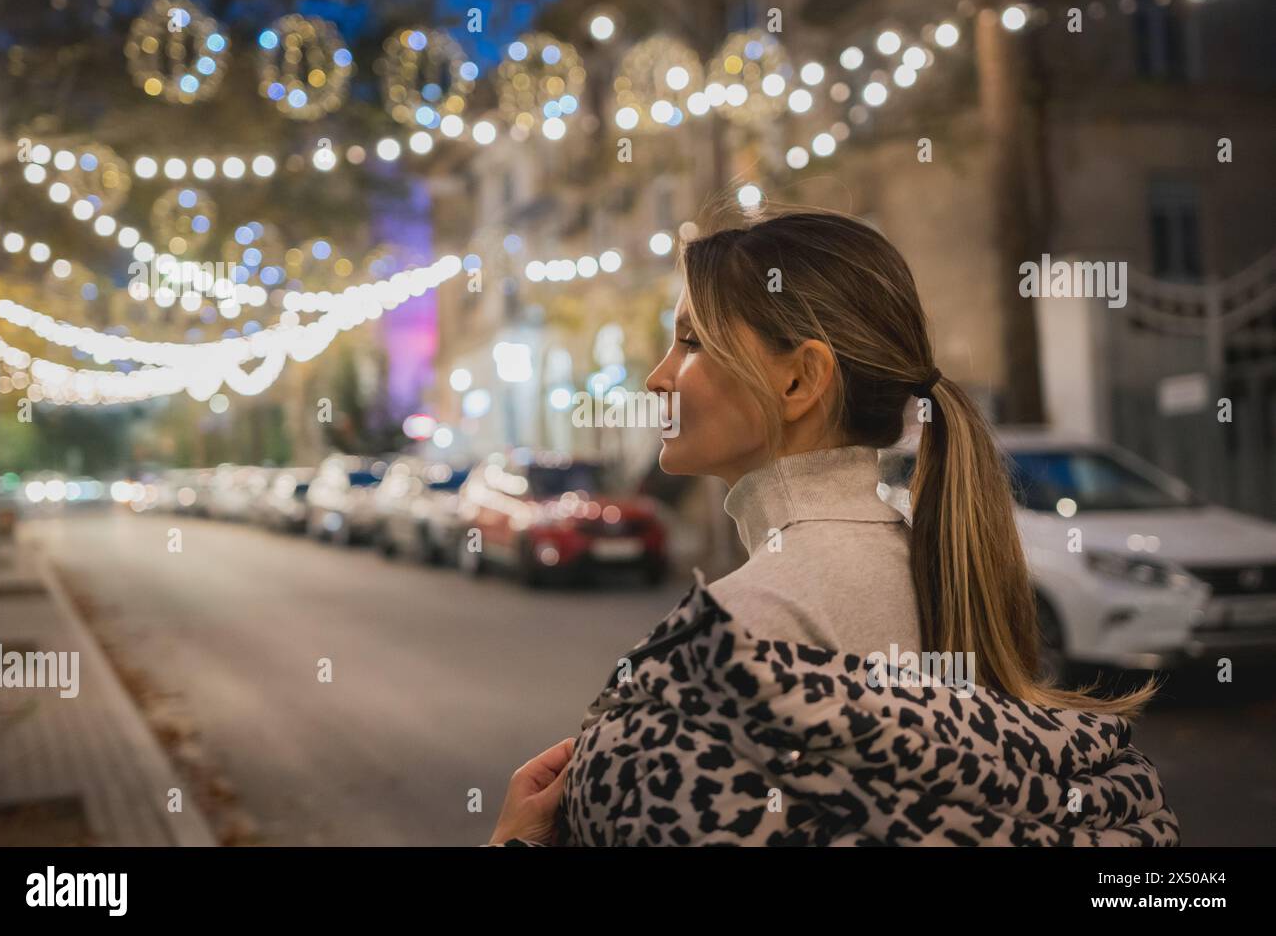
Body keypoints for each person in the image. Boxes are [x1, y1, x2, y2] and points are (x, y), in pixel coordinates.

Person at [488, 210, 1177, 847]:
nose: (657, 377)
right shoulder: (929, 562)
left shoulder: (742, 627)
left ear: (800, 382)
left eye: (691, 343)